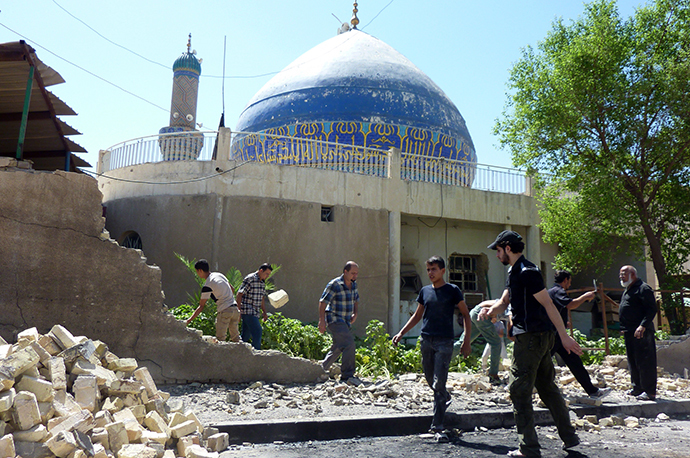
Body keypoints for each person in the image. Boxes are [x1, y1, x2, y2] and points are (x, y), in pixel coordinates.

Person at [480, 230, 581, 457]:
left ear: (507, 247)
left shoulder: (528, 271)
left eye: (498, 250)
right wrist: (490, 311)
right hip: (537, 338)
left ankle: (528, 448)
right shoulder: (514, 271)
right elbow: (506, 300)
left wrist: (564, 336)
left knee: (518, 390)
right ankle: (570, 437)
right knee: (547, 387)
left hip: (532, 339)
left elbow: (548, 304)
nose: (497, 255)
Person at [392, 256, 471, 443]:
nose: (430, 273)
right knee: (430, 379)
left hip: (445, 342)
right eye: (428, 269)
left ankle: (438, 426)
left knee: (438, 383)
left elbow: (466, 315)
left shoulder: (453, 290)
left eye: (434, 269)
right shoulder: (425, 291)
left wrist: (466, 341)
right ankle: (445, 397)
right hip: (426, 340)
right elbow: (418, 315)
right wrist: (401, 332)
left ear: (443, 270)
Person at [548, 270, 610, 398]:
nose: (569, 285)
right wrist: (585, 297)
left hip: (556, 334)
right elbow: (570, 305)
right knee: (543, 362)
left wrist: (564, 322)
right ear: (565, 280)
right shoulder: (558, 291)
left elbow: (557, 311)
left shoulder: (551, 292)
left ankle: (592, 391)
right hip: (555, 336)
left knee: (574, 361)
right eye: (569, 282)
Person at [619, 265, 657, 401]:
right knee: (633, 361)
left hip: (642, 331)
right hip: (629, 331)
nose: (621, 277)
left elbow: (651, 309)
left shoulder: (643, 288)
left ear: (633, 274)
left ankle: (649, 391)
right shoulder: (628, 289)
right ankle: (637, 388)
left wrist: (642, 326)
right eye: (620, 274)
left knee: (645, 361)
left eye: (624, 274)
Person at [318, 261, 360, 384]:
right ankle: (347, 375)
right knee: (349, 344)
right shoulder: (334, 284)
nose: (354, 276)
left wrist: (355, 313)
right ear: (345, 272)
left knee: (338, 347)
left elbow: (356, 299)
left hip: (346, 320)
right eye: (352, 273)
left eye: (356, 274)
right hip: (334, 319)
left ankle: (320, 369)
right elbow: (323, 302)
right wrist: (322, 321)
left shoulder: (354, 285)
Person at [451, 300, 507, 384]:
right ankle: (493, 374)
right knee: (496, 343)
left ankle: (439, 360)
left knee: (463, 342)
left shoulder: (506, 302)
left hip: (474, 312)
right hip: (481, 314)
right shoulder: (509, 304)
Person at [185, 259, 241, 343]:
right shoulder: (219, 275)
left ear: (200, 270)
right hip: (235, 309)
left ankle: (220, 356)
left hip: (225, 310)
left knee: (220, 339)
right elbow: (232, 289)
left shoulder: (208, 284)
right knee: (236, 338)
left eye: (197, 272)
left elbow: (201, 306)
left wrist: (188, 321)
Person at [236, 263, 272, 350]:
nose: (267, 276)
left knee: (245, 335)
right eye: (266, 273)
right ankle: (256, 355)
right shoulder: (250, 279)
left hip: (255, 312)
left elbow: (261, 297)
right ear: (260, 271)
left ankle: (238, 351)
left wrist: (264, 311)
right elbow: (239, 294)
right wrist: (238, 310)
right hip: (247, 310)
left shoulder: (262, 282)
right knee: (257, 331)